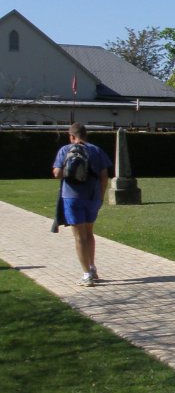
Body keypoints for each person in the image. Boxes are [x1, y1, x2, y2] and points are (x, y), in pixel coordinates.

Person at [51, 123, 113, 287]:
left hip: (72, 197)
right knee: (89, 233)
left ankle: (86, 274)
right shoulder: (96, 150)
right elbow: (104, 176)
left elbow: (56, 173)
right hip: (92, 197)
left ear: (71, 136)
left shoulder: (65, 150)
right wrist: (100, 196)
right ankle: (92, 268)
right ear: (86, 135)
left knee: (79, 237)